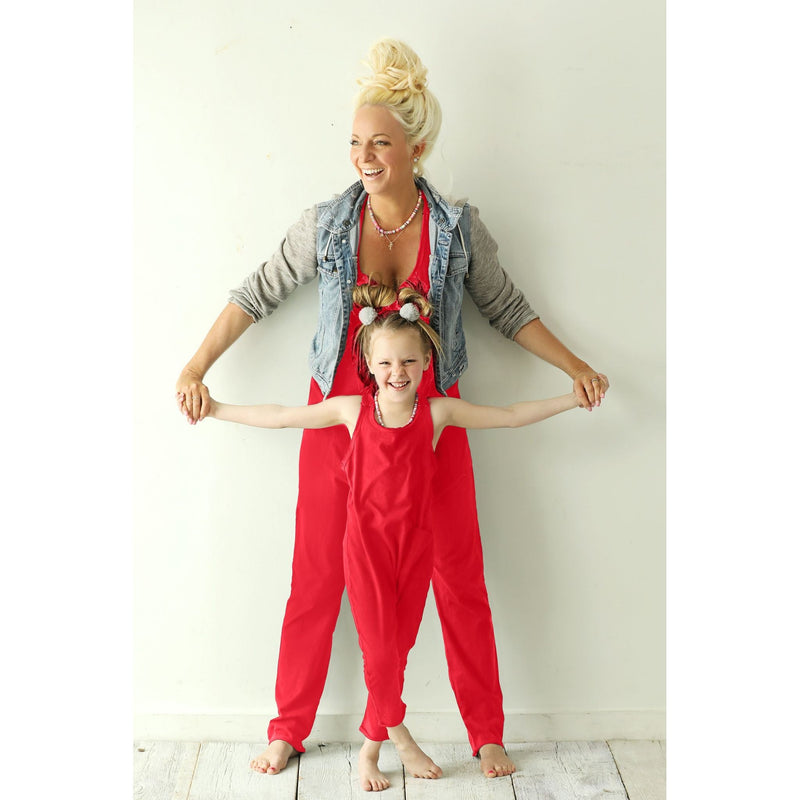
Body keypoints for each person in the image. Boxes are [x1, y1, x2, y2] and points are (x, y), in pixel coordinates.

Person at [175, 38, 609, 780]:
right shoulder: (326, 224)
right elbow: (257, 291)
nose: (364, 156)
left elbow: (506, 306)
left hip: (430, 419)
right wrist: (196, 366)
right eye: (354, 142)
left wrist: (575, 368)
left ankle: (486, 731)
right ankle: (288, 727)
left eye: (380, 142)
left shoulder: (458, 229)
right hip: (340, 414)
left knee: (457, 573)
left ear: (418, 146)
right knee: (316, 573)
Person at [182, 285, 584, 791]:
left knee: (396, 651)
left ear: (426, 362)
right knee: (378, 651)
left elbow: (508, 416)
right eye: (388, 362)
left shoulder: (436, 415)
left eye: (410, 361)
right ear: (368, 365)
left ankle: (369, 753)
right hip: (366, 553)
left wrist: (571, 396)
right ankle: (400, 735)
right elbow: (282, 416)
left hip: (416, 552)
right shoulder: (352, 412)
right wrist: (216, 408)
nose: (399, 372)